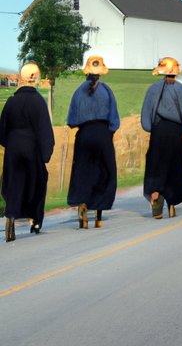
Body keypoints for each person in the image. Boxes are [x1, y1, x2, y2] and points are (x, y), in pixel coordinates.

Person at [0, 62, 55, 242]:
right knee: (38, 181)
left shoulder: (11, 101)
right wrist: (45, 153)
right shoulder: (38, 101)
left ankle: (11, 216)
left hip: (13, 150)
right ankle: (36, 220)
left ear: (21, 78)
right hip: (32, 149)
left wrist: (9, 145)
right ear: (36, 77)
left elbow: (2, 131)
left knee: (14, 182)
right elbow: (44, 130)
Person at [66, 55, 120, 229]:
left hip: (84, 135)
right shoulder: (106, 91)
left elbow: (71, 120)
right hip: (102, 133)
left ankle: (82, 203)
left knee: (82, 171)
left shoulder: (77, 92)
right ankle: (98, 211)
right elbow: (114, 120)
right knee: (105, 171)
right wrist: (107, 133)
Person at [141, 57, 182, 219]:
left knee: (156, 166)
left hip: (158, 132)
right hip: (175, 132)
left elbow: (145, 118)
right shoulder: (180, 89)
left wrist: (153, 129)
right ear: (176, 73)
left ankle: (156, 196)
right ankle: (171, 204)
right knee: (175, 167)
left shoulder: (153, 89)